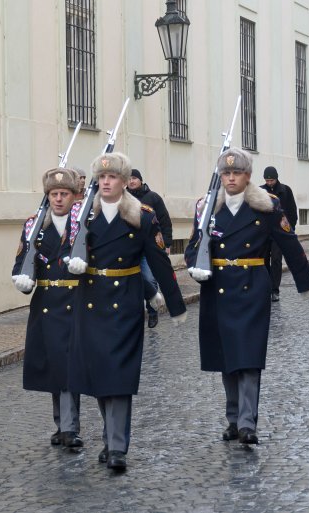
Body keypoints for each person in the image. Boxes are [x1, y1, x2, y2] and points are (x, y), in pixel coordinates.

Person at [66, 152, 187, 472]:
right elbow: (62, 248)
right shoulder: (83, 217)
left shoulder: (142, 216)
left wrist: (175, 305)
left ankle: (118, 446)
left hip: (125, 303)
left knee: (119, 374)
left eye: (113, 178)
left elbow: (159, 261)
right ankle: (109, 434)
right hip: (90, 302)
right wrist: (73, 259)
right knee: (99, 375)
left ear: (124, 183)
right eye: (102, 178)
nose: (106, 182)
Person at [185, 148, 309, 445]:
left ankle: (247, 422)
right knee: (226, 356)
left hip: (252, 286)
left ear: (248, 177)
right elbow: (194, 244)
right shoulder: (207, 207)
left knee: (248, 356)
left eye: (237, 173)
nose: (231, 178)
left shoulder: (265, 205)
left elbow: (288, 241)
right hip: (216, 285)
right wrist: (196, 266)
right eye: (226, 173)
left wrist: (304, 281)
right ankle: (233, 419)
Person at [11, 168, 84, 451]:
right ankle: (61, 424)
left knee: (70, 366)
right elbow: (22, 260)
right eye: (53, 194)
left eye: (64, 194)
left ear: (73, 196)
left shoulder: (83, 223)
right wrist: (22, 278)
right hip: (46, 303)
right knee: (55, 365)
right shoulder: (34, 226)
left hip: (77, 301)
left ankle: (70, 427)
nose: (58, 199)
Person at [127, 168, 173, 328]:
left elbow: (164, 220)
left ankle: (152, 312)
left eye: (134, 178)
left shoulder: (153, 197)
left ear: (140, 180)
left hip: (150, 247)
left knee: (148, 279)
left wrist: (166, 243)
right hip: (129, 247)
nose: (131, 181)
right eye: (128, 178)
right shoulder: (122, 198)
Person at [260, 166, 298, 302]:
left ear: (276, 178)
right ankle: (265, 287)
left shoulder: (285, 191)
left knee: (276, 260)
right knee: (263, 259)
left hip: (280, 232)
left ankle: (275, 290)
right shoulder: (260, 191)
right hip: (264, 233)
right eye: (267, 180)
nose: (269, 182)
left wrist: (289, 230)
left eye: (272, 180)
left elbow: (292, 213)